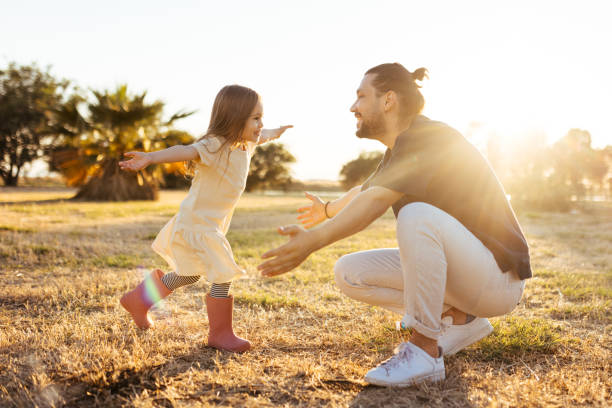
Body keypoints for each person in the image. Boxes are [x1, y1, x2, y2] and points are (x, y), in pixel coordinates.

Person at [259, 63, 530, 385]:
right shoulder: (402, 148)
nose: (352, 107)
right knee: (350, 272)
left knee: (417, 215)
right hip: (470, 278)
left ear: (388, 100)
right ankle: (461, 320)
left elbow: (374, 201)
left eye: (361, 96)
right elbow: (365, 190)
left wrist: (312, 241)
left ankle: (424, 350)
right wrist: (328, 210)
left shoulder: (430, 137)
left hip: (497, 279)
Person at [118, 84, 292, 352]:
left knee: (188, 275)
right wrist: (151, 157)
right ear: (235, 118)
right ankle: (220, 334)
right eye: (255, 118)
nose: (261, 124)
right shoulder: (214, 145)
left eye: (262, 117)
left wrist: (277, 132)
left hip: (207, 224)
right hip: (197, 224)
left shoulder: (247, 143)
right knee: (223, 270)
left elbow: (264, 135)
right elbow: (185, 150)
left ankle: (139, 300)